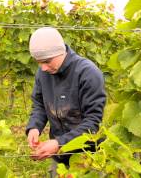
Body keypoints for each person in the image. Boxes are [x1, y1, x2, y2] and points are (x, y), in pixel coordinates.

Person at [26, 27, 106, 176]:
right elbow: (39, 105)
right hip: (61, 157)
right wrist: (34, 127)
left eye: (47, 61)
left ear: (60, 51)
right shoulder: (43, 73)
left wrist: (57, 143)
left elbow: (93, 122)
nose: (43, 68)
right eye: (38, 62)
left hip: (89, 157)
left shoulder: (88, 73)